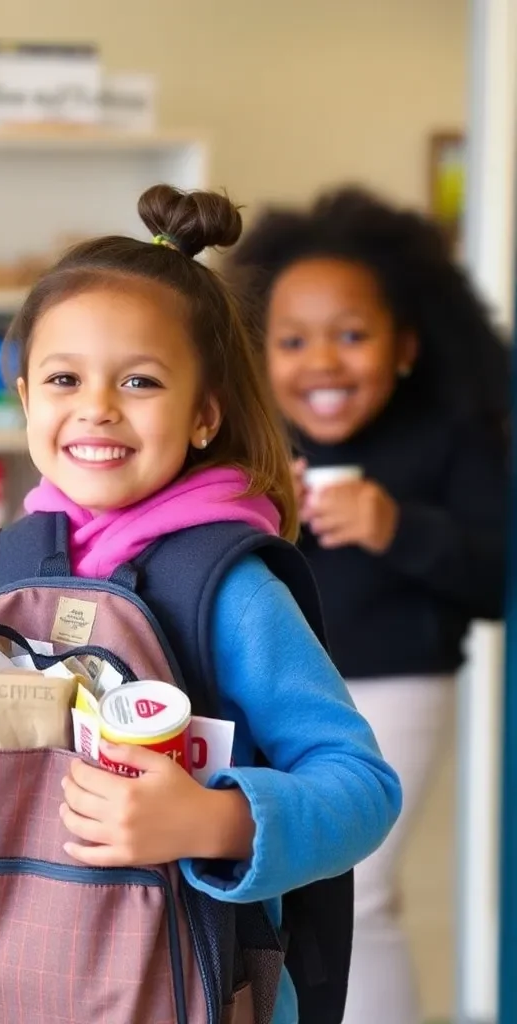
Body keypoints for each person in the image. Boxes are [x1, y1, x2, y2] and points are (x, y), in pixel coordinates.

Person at [0, 184, 403, 1024]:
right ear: (25, 396)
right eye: (64, 377)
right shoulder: (14, 565)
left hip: (178, 989)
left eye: (141, 380)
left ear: (202, 417)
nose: (96, 407)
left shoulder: (229, 590)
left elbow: (362, 790)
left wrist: (215, 822)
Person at [231, 187, 509, 1024]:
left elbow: (496, 581)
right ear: (257, 352)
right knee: (282, 897)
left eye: (351, 336)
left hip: (399, 680)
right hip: (274, 688)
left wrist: (400, 528)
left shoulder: (452, 437)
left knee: (364, 890)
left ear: (405, 348)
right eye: (293, 340)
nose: (322, 361)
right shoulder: (250, 440)